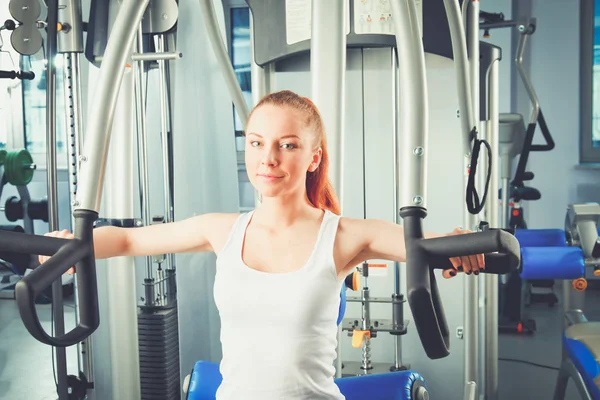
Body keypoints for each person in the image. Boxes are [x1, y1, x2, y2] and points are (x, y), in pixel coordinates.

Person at [41, 90, 484, 399]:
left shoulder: (346, 235)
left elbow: (423, 244)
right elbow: (126, 239)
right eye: (256, 142)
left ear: (313, 157)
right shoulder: (224, 230)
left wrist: (457, 245)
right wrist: (73, 244)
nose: (268, 158)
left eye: (286, 145)